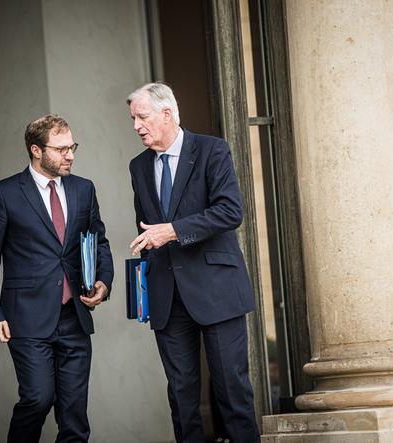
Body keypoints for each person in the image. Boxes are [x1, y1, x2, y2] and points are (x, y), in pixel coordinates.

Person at [127, 83, 260, 442]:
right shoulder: (138, 166)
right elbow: (146, 225)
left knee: (232, 391)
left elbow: (230, 211)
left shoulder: (211, 151)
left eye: (142, 117)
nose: (137, 125)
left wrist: (171, 231)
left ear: (166, 114)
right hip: (167, 296)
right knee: (182, 398)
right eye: (133, 119)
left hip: (217, 289)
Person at [0, 114, 113, 443]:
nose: (71, 155)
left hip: (75, 316)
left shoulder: (83, 189)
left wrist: (103, 283)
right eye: (62, 149)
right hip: (26, 318)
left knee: (75, 416)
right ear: (36, 150)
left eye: (72, 147)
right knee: (38, 398)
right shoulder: (4, 194)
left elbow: (100, 242)